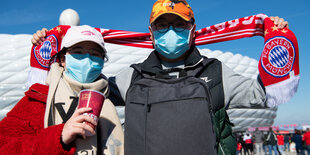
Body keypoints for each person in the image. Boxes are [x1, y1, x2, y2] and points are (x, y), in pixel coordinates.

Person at [30, 1, 289, 154]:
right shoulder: (132, 76)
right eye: (162, 25)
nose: (171, 32)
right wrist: (51, 51)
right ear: (151, 32)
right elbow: (84, 85)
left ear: (192, 29)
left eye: (179, 25)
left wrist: (278, 43)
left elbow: (263, 94)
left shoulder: (215, 71)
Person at [0, 25, 124, 154]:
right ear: (63, 59)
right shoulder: (39, 99)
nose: (87, 59)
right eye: (78, 52)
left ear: (102, 62)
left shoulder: (108, 99)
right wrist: (59, 137)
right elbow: (4, 147)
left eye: (94, 54)